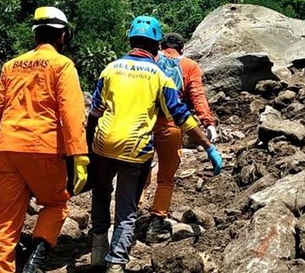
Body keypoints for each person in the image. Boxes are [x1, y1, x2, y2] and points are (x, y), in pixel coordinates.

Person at [87, 16, 222, 272]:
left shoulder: (110, 69)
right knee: (133, 203)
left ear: (130, 40)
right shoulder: (162, 75)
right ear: (156, 45)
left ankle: (97, 248)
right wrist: (208, 145)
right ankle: (118, 260)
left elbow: (93, 113)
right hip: (141, 144)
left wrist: (87, 149)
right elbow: (184, 112)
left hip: (104, 144)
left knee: (102, 192)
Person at [0, 6, 88, 273]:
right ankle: (33, 263)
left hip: (8, 149)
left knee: (6, 222)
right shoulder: (62, 65)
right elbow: (71, 113)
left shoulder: (11, 65)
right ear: (63, 36)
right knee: (56, 204)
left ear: (35, 34)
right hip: (43, 147)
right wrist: (80, 155)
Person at [146, 32, 220, 243]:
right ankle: (156, 223)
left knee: (140, 172)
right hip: (172, 124)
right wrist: (208, 123)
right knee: (166, 178)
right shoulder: (189, 66)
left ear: (160, 46)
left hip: (145, 123)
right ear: (182, 48)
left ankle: (130, 217)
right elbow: (197, 95)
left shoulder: (151, 59)